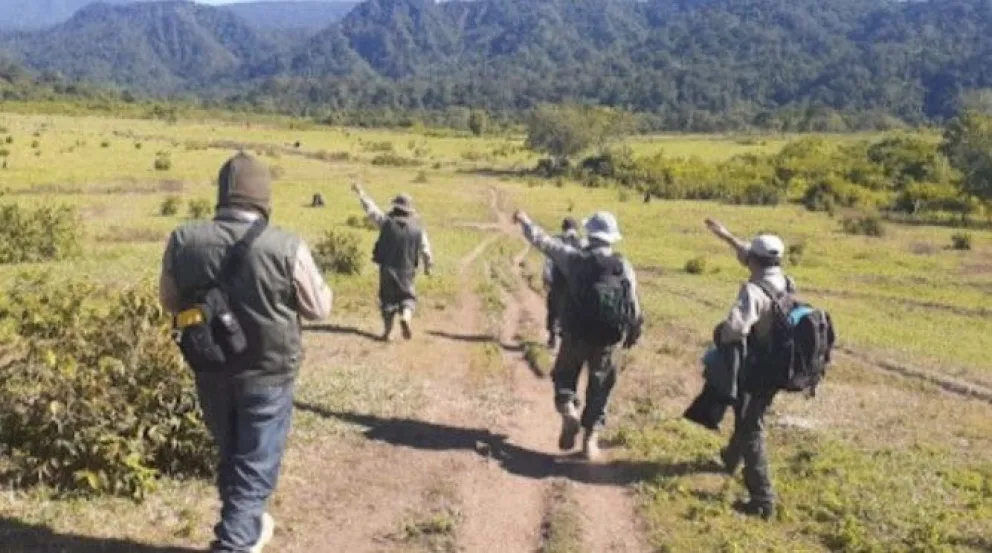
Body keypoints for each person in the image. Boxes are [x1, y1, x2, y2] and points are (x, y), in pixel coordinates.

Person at [159, 153, 332, 553]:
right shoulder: (287, 246)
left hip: (210, 369)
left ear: (222, 194)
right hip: (268, 373)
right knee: (254, 468)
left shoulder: (183, 240)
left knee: (232, 454)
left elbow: (169, 301)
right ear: (263, 196)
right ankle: (234, 543)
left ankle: (248, 526)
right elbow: (319, 309)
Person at [512, 209, 643, 461]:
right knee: (600, 387)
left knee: (564, 376)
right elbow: (633, 306)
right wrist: (634, 332)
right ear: (611, 237)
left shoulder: (574, 259)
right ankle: (590, 440)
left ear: (590, 234)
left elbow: (542, 241)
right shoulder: (623, 266)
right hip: (608, 339)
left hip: (575, 334)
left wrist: (525, 220)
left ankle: (568, 409)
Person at [704, 217, 794, 520]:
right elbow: (747, 252)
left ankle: (763, 501)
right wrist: (725, 235)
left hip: (757, 368)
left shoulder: (754, 292)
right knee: (748, 413)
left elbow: (734, 329)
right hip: (778, 366)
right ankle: (730, 458)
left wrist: (718, 334)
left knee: (751, 427)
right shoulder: (784, 280)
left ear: (754, 261)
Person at [352, 182, 433, 341]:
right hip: (407, 270)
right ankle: (406, 317)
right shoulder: (418, 228)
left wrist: (361, 193)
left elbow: (371, 211)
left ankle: (388, 333)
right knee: (408, 298)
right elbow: (425, 249)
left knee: (387, 301)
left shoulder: (386, 222)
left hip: (387, 268)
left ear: (395, 207)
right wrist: (428, 267)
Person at [542, 217, 583, 349]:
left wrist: (546, 277)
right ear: (575, 229)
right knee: (571, 310)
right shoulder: (582, 243)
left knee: (553, 308)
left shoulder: (557, 241)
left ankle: (553, 338)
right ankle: (567, 340)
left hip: (558, 281)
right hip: (574, 283)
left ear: (563, 227)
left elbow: (549, 261)